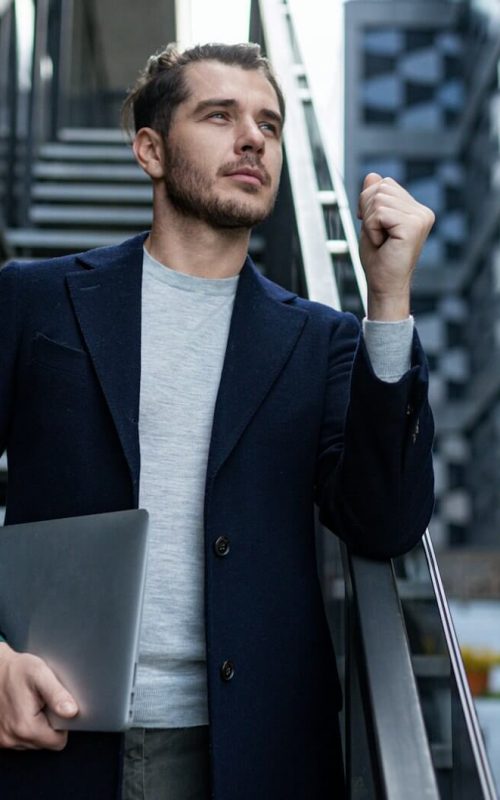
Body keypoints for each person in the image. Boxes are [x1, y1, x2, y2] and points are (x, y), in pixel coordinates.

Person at [0, 42, 435, 800]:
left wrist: (389, 301)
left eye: (269, 123)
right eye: (219, 115)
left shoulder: (322, 341)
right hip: (51, 740)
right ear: (150, 150)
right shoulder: (34, 301)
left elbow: (384, 522)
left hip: (255, 757)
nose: (253, 138)